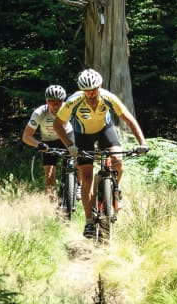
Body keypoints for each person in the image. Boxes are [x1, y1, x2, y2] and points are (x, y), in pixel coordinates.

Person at [54, 69, 149, 238]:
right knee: (86, 177)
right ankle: (89, 221)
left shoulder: (108, 97)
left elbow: (128, 118)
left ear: (100, 86)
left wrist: (142, 142)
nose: (91, 93)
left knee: (118, 161)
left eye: (94, 89)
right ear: (82, 90)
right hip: (82, 135)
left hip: (105, 130)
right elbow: (57, 124)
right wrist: (69, 145)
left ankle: (115, 192)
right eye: (87, 91)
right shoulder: (73, 101)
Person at [21, 84, 69, 200]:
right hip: (48, 141)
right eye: (52, 102)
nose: (56, 105)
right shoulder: (39, 113)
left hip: (66, 137)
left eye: (59, 102)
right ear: (46, 101)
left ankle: (75, 186)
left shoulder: (68, 109)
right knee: (49, 173)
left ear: (63, 101)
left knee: (74, 163)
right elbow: (26, 136)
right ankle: (50, 202)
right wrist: (39, 144)